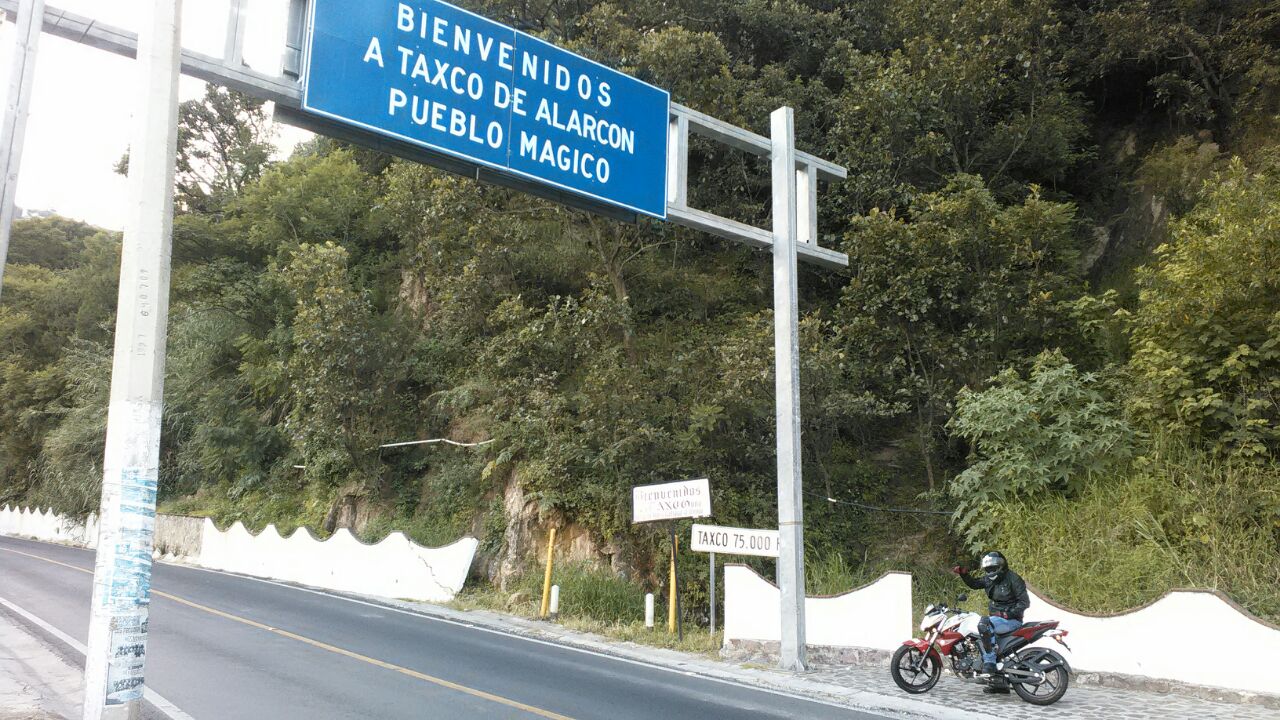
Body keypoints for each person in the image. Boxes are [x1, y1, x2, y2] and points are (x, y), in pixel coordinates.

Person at [951, 551, 1029, 692]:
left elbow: (1024, 602)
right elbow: (975, 584)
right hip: (997, 620)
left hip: (1011, 620)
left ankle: (989, 663)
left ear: (1001, 566)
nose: (990, 572)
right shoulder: (989, 579)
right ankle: (999, 684)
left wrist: (1008, 614)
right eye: (988, 569)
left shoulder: (1014, 579)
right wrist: (964, 574)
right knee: (981, 630)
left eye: (993, 569)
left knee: (984, 623)